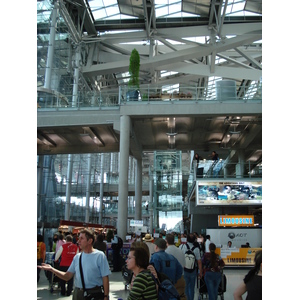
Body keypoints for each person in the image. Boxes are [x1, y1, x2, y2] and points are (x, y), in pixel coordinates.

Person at [38, 228, 110, 300]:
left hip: (94, 294)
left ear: (90, 241)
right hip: (78, 293)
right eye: (79, 238)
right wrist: (52, 269)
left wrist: (106, 296)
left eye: (82, 238)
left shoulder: (100, 256)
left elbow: (105, 278)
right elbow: (67, 276)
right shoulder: (77, 257)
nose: (78, 241)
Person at [179, 233, 202, 300]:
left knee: (185, 287)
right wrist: (200, 272)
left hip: (184, 269)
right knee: (192, 288)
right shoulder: (196, 249)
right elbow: (199, 262)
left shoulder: (182, 247)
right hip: (193, 270)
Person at [165, 234, 187, 300]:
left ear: (166, 241)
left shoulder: (165, 252)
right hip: (180, 278)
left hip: (169, 279)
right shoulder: (180, 251)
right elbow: (184, 265)